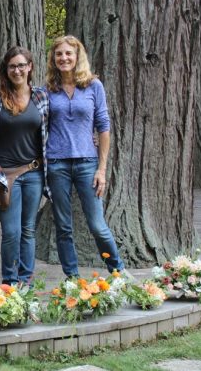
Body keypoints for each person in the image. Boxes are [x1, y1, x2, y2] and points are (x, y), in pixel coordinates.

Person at [45, 35, 126, 277]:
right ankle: (73, 280)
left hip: (87, 164)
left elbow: (103, 126)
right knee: (63, 227)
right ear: (53, 59)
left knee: (97, 225)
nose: (64, 58)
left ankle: (118, 273)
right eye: (59, 54)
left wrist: (101, 169)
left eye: (69, 53)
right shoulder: (47, 89)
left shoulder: (93, 86)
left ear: (78, 56)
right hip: (56, 164)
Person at [0, 46, 49, 287]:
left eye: (22, 65)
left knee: (28, 230)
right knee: (11, 232)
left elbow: (56, 127)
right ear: (6, 69)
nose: (17, 70)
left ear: (30, 67)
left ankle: (26, 282)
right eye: (12, 66)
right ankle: (9, 281)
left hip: (33, 172)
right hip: (4, 175)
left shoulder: (41, 97)